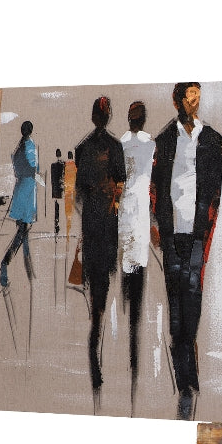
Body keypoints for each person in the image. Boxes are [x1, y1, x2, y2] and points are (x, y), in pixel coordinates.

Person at [151, 82, 222, 421]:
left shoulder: (212, 140)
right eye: (189, 95)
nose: (194, 101)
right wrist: (158, 227)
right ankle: (185, 382)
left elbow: (215, 194)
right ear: (177, 100)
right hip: (171, 235)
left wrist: (206, 233)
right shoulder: (165, 140)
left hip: (196, 234)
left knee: (191, 300)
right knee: (176, 307)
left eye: (197, 95)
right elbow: (155, 188)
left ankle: (189, 377)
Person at [74, 97, 126, 411]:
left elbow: (79, 192)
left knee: (96, 277)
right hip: (106, 222)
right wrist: (113, 201)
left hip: (93, 222)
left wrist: (94, 202)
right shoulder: (115, 147)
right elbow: (120, 182)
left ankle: (95, 330)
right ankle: (97, 326)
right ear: (107, 117)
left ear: (94, 116)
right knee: (102, 281)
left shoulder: (82, 148)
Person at [118, 101, 155, 413]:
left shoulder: (120, 143)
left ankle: (127, 289)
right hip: (142, 205)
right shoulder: (150, 143)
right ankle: (136, 294)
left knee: (127, 251)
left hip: (126, 204)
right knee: (139, 253)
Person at [0, 120, 39, 289]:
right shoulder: (29, 145)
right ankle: (5, 263)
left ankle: (29, 269)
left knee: (23, 230)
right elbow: (33, 167)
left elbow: (18, 168)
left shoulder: (19, 147)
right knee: (22, 232)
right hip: (27, 190)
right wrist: (36, 170)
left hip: (20, 190)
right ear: (31, 130)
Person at [50, 149, 65, 235]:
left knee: (56, 206)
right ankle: (58, 224)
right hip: (61, 188)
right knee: (60, 206)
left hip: (55, 189)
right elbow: (63, 177)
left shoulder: (53, 165)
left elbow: (52, 179)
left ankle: (56, 223)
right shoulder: (63, 164)